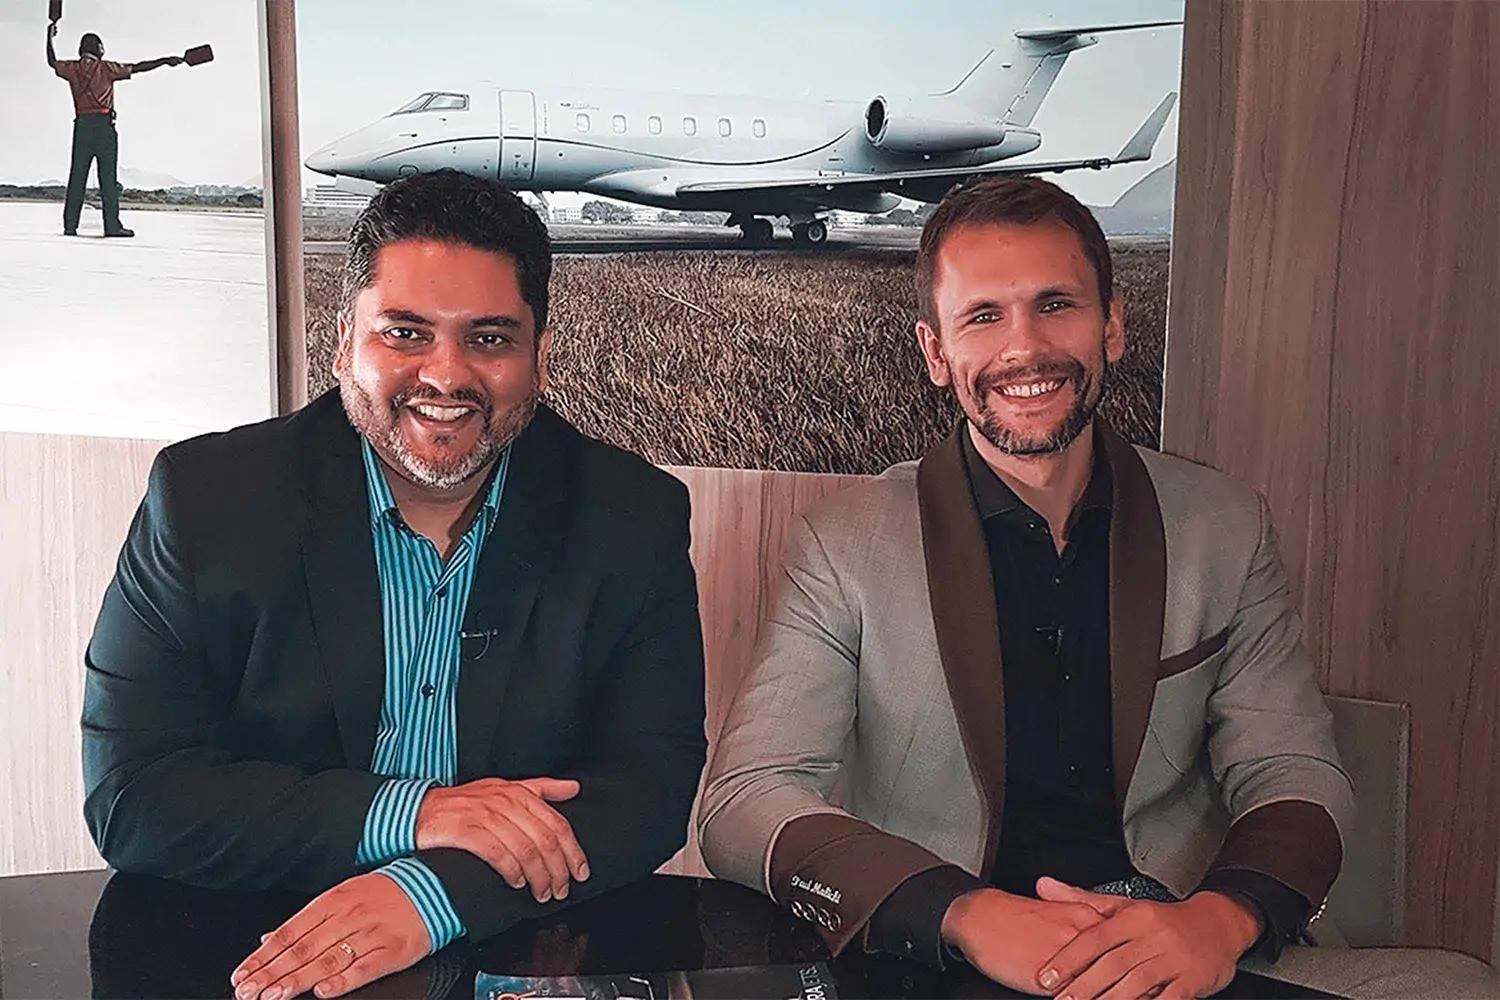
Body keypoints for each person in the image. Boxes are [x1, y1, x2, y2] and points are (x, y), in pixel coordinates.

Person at [697, 175, 1354, 999]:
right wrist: (966, 914)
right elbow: (745, 799)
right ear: (937, 353)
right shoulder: (843, 544)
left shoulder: (1227, 524)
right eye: (983, 316)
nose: (1025, 349)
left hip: (1171, 944)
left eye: (1056, 305)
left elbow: (1295, 767)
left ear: (1111, 326)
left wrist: (1220, 920)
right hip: (938, 957)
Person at [82, 169, 707, 1000]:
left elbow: (650, 790)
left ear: (540, 355)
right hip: (244, 943)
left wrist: (432, 893)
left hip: (509, 938)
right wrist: (416, 813)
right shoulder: (205, 500)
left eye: (489, 338)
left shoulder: (634, 516)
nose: (445, 376)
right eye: (406, 333)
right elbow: (133, 797)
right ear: (345, 343)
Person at [46, 22, 184, 237]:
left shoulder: (72, 68)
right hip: (103, 126)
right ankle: (112, 226)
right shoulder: (107, 68)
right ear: (99, 49)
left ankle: (70, 225)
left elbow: (52, 62)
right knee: (107, 178)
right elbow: (138, 67)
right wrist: (164, 61)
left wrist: (50, 37)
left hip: (82, 126)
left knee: (77, 177)